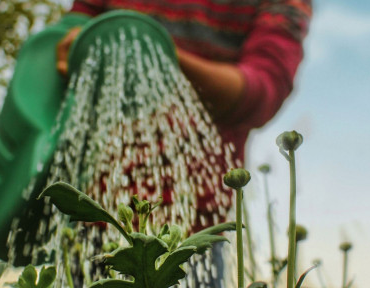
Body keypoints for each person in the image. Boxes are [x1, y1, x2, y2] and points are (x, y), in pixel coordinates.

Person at [55, 0, 312, 286]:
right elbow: (73, 29)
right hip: (90, 217)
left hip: (190, 231)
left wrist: (156, 53)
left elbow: (262, 92)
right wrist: (70, 44)